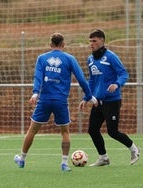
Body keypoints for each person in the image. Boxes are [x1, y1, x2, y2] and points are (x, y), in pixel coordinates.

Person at [14, 33, 97, 172]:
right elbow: (82, 79)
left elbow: (38, 77)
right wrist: (89, 96)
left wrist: (35, 93)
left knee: (32, 130)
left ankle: (22, 159)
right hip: (60, 101)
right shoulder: (69, 59)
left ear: (50, 44)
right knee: (65, 132)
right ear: (63, 45)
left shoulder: (42, 58)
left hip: (44, 100)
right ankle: (64, 163)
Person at [79, 29, 140, 166]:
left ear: (102, 41)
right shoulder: (90, 59)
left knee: (112, 131)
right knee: (92, 130)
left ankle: (134, 149)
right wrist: (86, 97)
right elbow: (92, 81)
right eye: (90, 41)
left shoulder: (111, 56)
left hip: (112, 101)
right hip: (97, 101)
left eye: (94, 41)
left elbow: (123, 74)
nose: (91, 44)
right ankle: (103, 158)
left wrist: (116, 84)